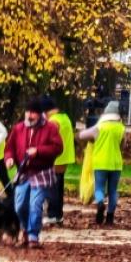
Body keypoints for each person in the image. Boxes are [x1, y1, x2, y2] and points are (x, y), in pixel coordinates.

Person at [5, 98, 63, 248]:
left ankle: (33, 236)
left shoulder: (50, 128)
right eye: (28, 112)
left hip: (41, 172)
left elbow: (58, 148)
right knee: (19, 205)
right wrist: (9, 158)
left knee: (35, 204)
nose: (30, 116)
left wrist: (38, 151)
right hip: (23, 172)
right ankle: (25, 228)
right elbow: (9, 148)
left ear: (40, 114)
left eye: (33, 113)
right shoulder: (18, 128)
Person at [78, 100, 126, 225]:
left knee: (99, 187)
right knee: (113, 191)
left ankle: (100, 203)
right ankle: (110, 217)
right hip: (116, 163)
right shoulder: (121, 128)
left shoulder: (99, 127)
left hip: (100, 162)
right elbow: (122, 146)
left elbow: (82, 135)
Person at [41, 95, 75, 226]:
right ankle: (59, 215)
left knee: (52, 188)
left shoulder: (53, 122)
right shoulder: (65, 118)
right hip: (64, 157)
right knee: (58, 187)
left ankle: (53, 214)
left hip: (55, 158)